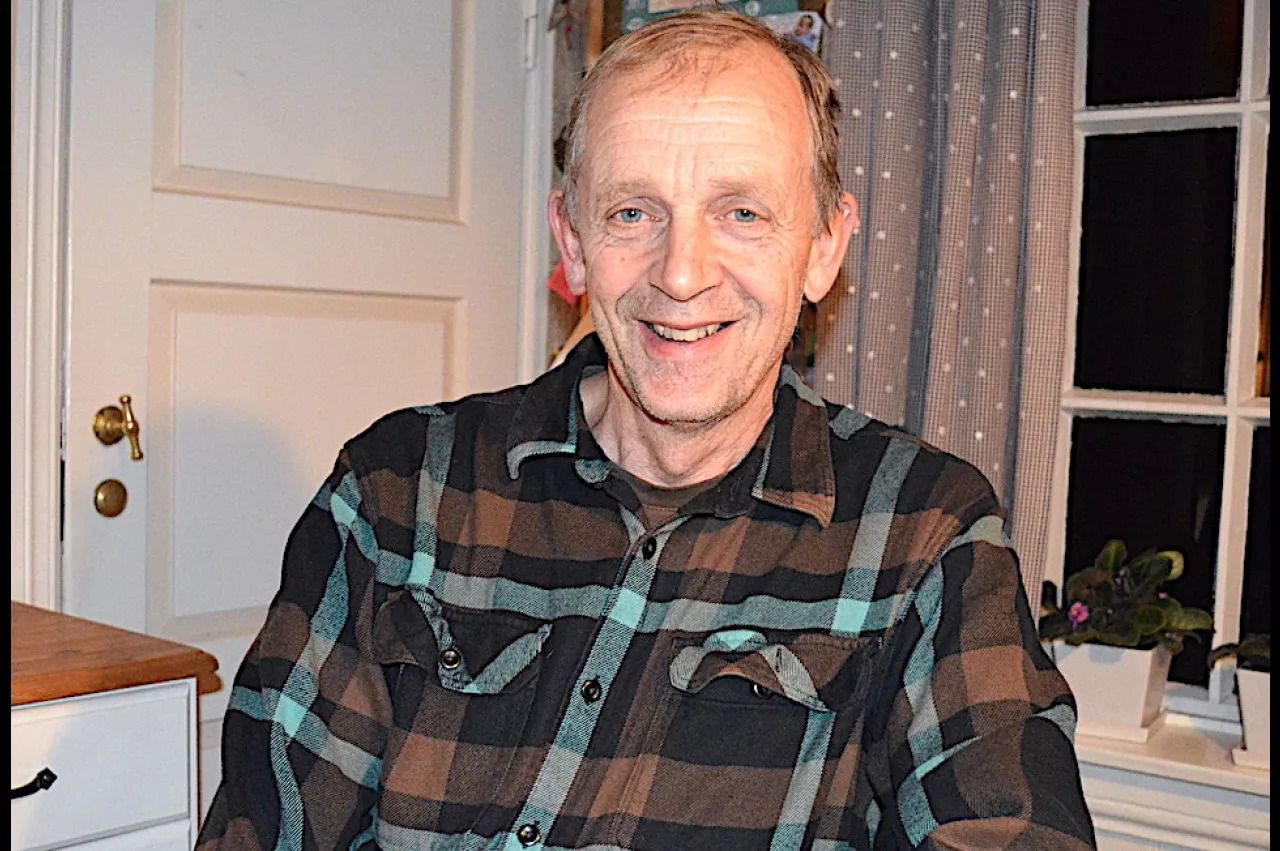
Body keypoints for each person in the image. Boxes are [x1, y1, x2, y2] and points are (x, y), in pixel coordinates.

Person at [197, 11, 1095, 850]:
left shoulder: (927, 531)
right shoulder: (399, 487)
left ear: (824, 246)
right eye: (634, 212)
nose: (682, 274)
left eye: (742, 213)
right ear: (573, 240)